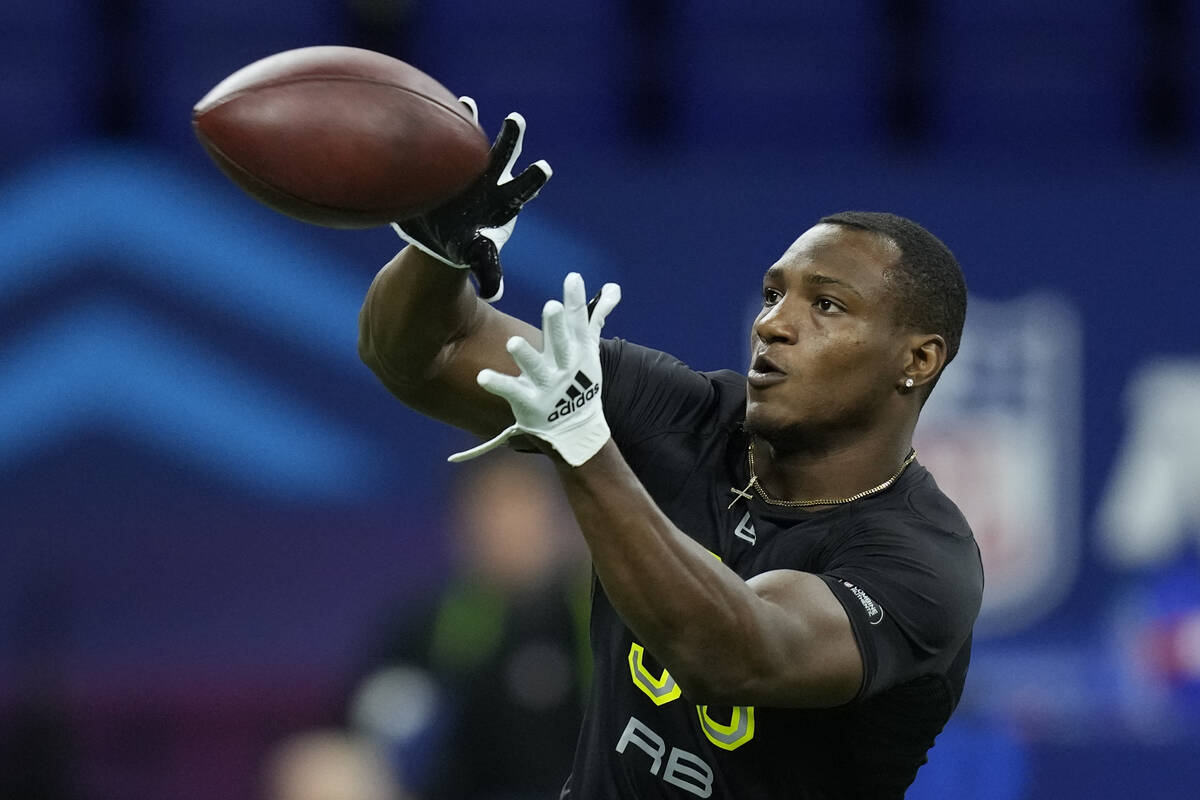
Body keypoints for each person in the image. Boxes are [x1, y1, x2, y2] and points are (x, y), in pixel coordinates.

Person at [357, 100, 984, 799]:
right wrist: (436, 256)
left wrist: (584, 445)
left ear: (918, 360)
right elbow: (422, 353)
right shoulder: (683, 414)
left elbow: (737, 654)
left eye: (826, 305)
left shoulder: (923, 559)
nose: (773, 323)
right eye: (774, 294)